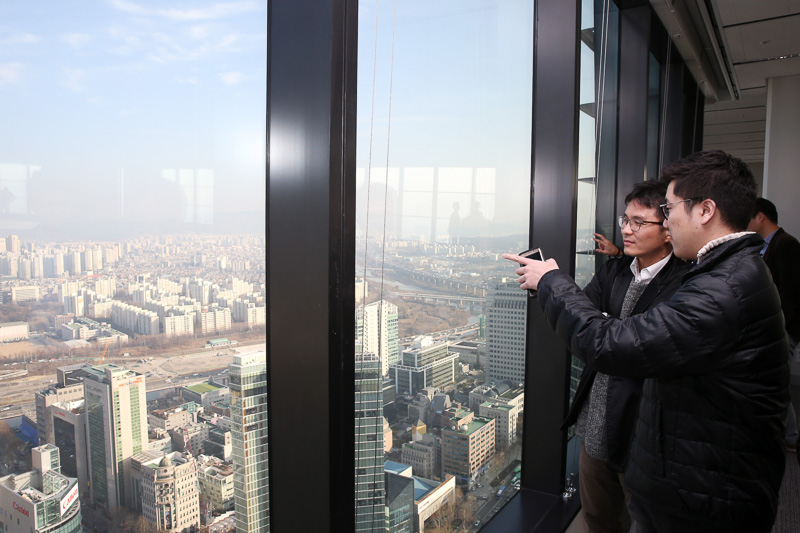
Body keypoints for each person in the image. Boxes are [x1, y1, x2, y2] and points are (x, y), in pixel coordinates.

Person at [504, 150, 789, 532]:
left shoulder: (722, 288)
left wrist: (554, 281)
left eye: (668, 210)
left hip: (704, 489)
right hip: (693, 467)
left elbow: (611, 343)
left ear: (704, 210)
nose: (668, 221)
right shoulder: (730, 273)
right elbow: (603, 322)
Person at [564, 180, 689, 533]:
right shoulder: (617, 270)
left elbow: (630, 344)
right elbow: (582, 316)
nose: (626, 229)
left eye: (638, 222)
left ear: (667, 230)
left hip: (641, 429)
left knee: (645, 520)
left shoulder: (685, 283)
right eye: (625, 219)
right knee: (599, 518)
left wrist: (608, 326)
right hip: (595, 422)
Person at [748, 197, 800, 453]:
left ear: (761, 217)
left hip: (782, 328)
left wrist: (781, 328)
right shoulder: (764, 245)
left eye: (749, 217)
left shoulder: (787, 245)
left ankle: (790, 437)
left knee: (777, 383)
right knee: (773, 381)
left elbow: (790, 293)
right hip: (772, 327)